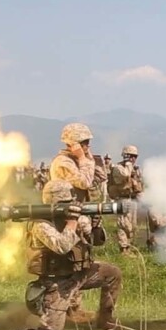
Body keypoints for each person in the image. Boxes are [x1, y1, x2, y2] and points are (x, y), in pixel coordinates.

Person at [22, 180, 121, 330]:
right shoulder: (41, 224)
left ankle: (105, 319)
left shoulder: (73, 219)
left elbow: (95, 242)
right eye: (65, 203)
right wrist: (72, 223)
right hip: (58, 282)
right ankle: (43, 313)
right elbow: (62, 246)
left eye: (71, 202)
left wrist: (95, 227)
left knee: (112, 274)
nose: (71, 206)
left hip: (80, 273)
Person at [49, 123, 105, 320]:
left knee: (81, 261)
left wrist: (87, 159)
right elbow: (84, 182)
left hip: (78, 216)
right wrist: (82, 158)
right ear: (74, 143)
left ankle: (74, 307)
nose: (88, 146)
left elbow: (99, 178)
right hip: (67, 220)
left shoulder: (78, 160)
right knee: (73, 264)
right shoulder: (64, 162)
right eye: (84, 143)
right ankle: (66, 309)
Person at [108, 145, 143, 256]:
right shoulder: (118, 168)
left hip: (132, 199)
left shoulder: (135, 169)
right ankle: (123, 249)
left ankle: (129, 247)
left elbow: (138, 184)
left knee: (132, 225)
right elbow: (125, 175)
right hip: (122, 199)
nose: (133, 159)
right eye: (130, 156)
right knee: (124, 225)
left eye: (134, 156)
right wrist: (128, 165)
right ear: (125, 156)